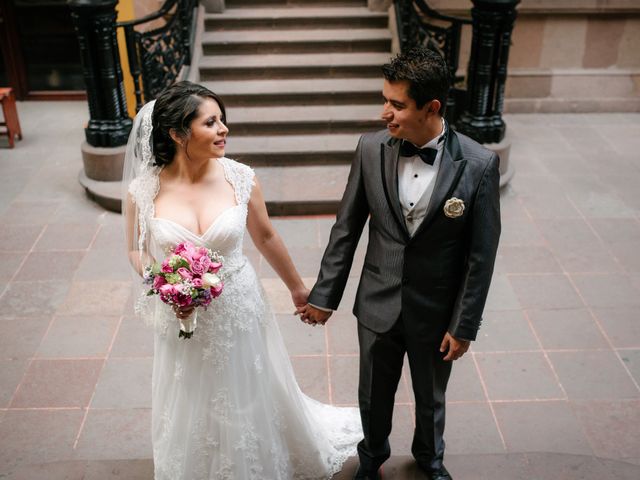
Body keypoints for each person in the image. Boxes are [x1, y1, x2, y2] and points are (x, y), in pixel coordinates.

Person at [123, 81, 361, 480]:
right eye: (211, 122)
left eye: (222, 120)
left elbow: (265, 236)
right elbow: (135, 247)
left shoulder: (240, 177)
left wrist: (298, 288)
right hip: (181, 312)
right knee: (191, 388)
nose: (223, 130)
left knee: (247, 384)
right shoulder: (142, 191)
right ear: (178, 134)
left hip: (237, 304)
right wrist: (162, 280)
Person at [298, 47, 501, 480]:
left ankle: (430, 459)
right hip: (377, 301)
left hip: (436, 309)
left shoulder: (479, 165)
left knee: (431, 397)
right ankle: (371, 459)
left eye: (396, 104)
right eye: (384, 99)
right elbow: (346, 228)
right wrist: (323, 296)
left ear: (432, 108)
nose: (384, 112)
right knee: (372, 394)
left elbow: (480, 257)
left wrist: (464, 325)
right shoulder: (371, 149)